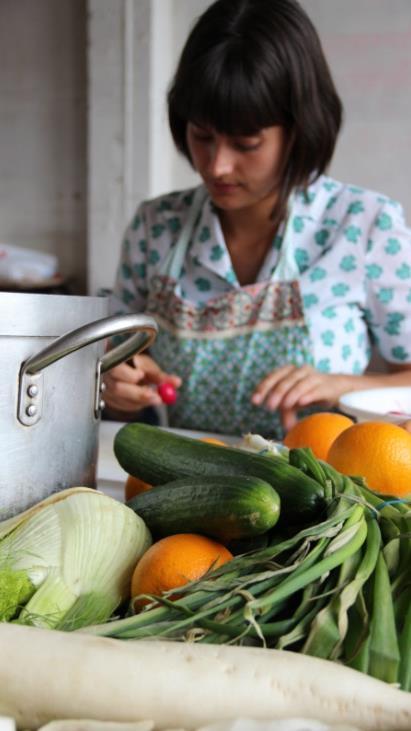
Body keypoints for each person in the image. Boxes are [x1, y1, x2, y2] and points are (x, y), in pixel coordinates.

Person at [104, 0, 411, 439]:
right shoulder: (157, 227)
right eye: (202, 137)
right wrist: (117, 382)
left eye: (246, 144)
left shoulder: (364, 226)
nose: (217, 166)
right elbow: (114, 361)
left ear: (299, 130)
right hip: (177, 488)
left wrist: (344, 387)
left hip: (319, 493)